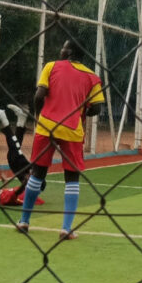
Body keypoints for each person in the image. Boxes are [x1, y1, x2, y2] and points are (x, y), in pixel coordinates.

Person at [17, 39, 104, 240]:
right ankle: (66, 228)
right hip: (72, 129)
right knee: (71, 178)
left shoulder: (51, 66)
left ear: (70, 51)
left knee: (37, 173)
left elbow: (39, 96)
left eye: (63, 47)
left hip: (46, 126)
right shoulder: (92, 77)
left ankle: (24, 221)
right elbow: (97, 108)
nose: (61, 49)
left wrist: (40, 117)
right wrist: (81, 111)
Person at [0, 104, 45, 206]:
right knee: (14, 155)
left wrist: (5, 181)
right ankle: (4, 119)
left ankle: (21, 120)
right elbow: (17, 192)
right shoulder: (3, 198)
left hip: (29, 183)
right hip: (35, 186)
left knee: (13, 154)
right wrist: (26, 181)